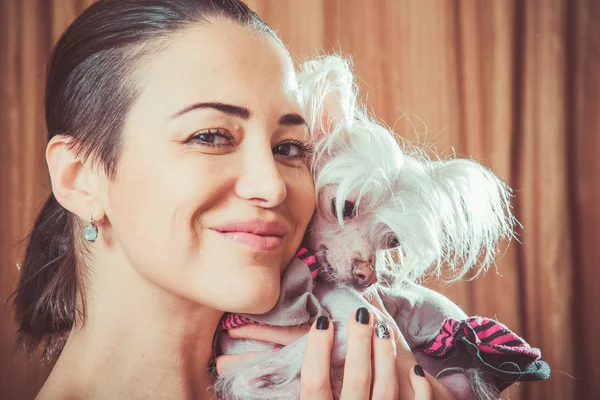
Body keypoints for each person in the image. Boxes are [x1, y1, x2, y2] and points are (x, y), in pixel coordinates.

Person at [11, 0, 456, 398]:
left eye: (289, 148)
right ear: (78, 178)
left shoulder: (388, 369)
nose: (274, 186)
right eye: (210, 136)